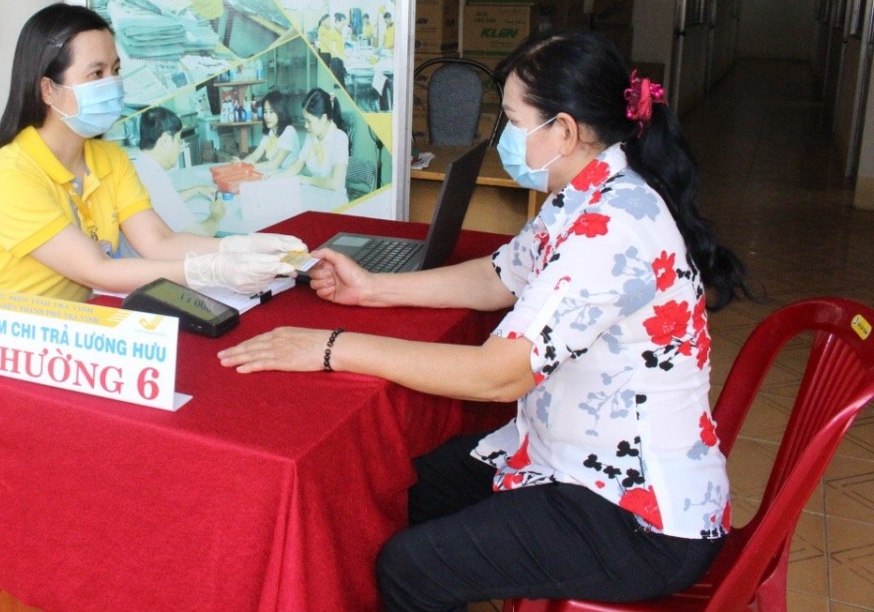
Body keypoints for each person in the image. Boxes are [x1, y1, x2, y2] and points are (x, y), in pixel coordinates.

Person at [219, 30, 755, 609]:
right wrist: (372, 289)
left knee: (411, 568)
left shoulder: (612, 226)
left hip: (635, 514)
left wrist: (331, 347)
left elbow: (498, 375)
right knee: (398, 492)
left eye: (513, 120)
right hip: (563, 455)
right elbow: (497, 276)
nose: (503, 135)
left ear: (565, 131)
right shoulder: (586, 192)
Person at [0, 3, 303, 363]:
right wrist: (210, 270)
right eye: (96, 74)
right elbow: (97, 270)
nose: (113, 84)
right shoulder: (9, 174)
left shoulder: (109, 159)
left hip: (58, 339)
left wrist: (237, 246)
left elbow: (158, 242)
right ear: (48, 90)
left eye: (115, 69)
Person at [134, 106, 225, 236]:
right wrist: (216, 216)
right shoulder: (155, 180)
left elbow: (165, 201)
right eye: (178, 141)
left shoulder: (141, 166)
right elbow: (199, 234)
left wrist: (196, 189)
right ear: (165, 140)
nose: (179, 148)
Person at [273, 88, 349, 194]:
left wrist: (307, 180)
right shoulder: (311, 136)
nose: (305, 125)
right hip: (316, 192)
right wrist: (276, 178)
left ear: (323, 118)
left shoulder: (340, 138)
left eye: (309, 121)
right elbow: (296, 167)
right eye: (304, 120)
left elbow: (336, 184)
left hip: (334, 197)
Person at [239, 90, 298, 170]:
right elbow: (255, 156)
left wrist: (248, 167)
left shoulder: (289, 131)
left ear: (280, 112)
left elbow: (274, 164)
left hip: (290, 176)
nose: (267, 116)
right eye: (265, 112)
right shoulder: (271, 131)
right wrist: (241, 164)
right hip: (276, 174)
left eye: (271, 112)